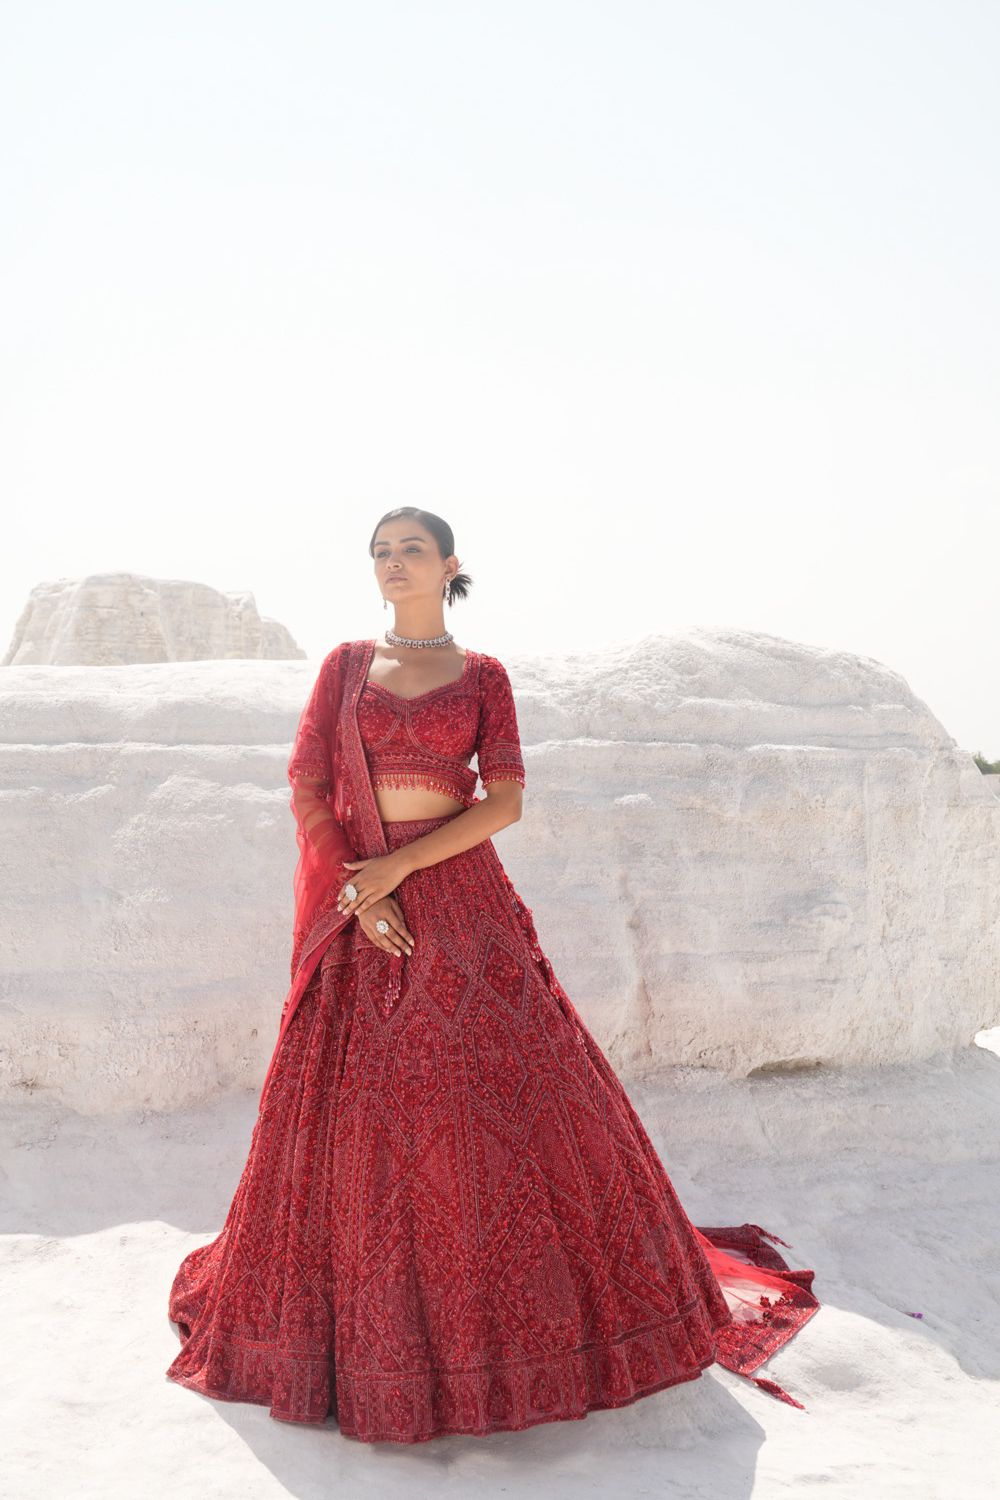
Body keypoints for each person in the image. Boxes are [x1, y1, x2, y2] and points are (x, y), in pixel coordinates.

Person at [165, 506, 819, 1443]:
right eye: (381, 553)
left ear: (450, 565)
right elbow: (308, 783)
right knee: (364, 1111)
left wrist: (400, 870)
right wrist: (363, 886)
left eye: (411, 552)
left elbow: (504, 800)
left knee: (495, 1098)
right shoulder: (345, 665)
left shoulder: (484, 676)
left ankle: (509, 1320)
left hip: (463, 905)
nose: (393, 565)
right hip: (363, 905)